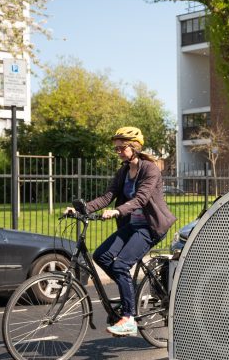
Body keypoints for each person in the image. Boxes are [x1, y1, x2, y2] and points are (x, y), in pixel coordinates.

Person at [68, 127, 177, 336]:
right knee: (101, 255)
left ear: (134, 147)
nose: (117, 151)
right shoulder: (124, 172)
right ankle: (128, 290)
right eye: (115, 148)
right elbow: (107, 196)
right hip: (133, 225)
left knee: (120, 265)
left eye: (121, 147)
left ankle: (129, 318)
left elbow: (141, 199)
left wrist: (118, 211)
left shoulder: (150, 169)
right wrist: (81, 209)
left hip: (151, 226)